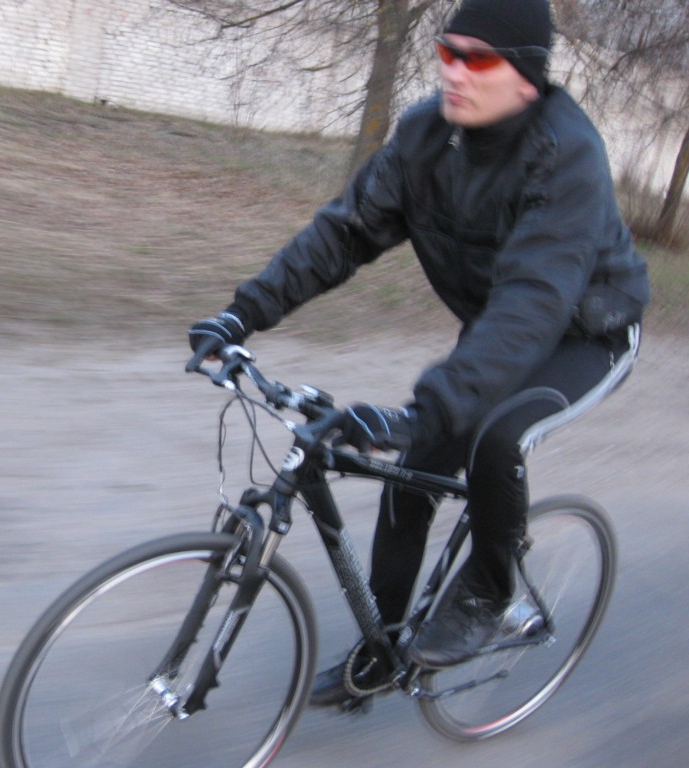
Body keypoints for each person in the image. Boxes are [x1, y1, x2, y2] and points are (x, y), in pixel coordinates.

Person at [187, 0, 649, 709]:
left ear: (526, 77)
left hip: (586, 331)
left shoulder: (567, 155)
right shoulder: (427, 134)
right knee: (412, 478)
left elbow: (533, 302)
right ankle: (380, 653)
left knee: (498, 436)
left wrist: (419, 412)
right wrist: (242, 313)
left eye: (479, 58)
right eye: (448, 51)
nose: (455, 71)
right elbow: (344, 234)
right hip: (500, 330)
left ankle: (489, 592)